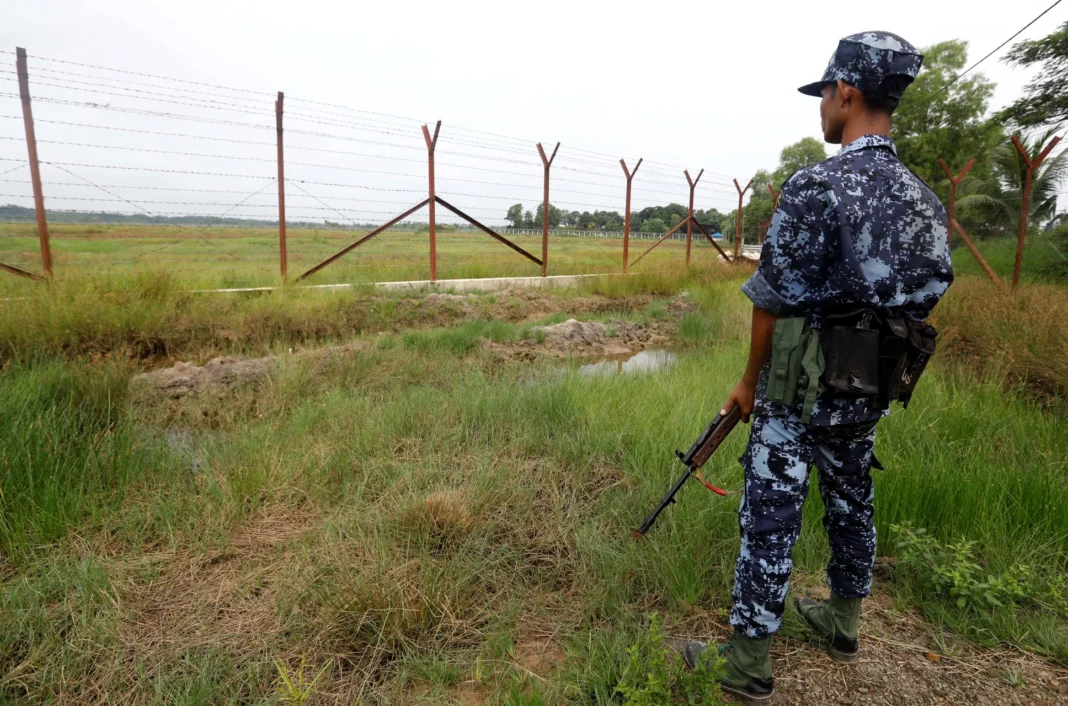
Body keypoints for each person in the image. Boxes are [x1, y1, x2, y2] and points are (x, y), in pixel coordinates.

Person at [681, 31, 953, 702]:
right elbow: (929, 289)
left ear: (848, 93)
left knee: (772, 510)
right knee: (852, 497)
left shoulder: (815, 188)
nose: (822, 107)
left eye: (825, 94)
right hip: (869, 384)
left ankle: (746, 664)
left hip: (799, 386)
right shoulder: (925, 200)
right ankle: (844, 621)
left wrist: (749, 383)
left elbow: (769, 302)